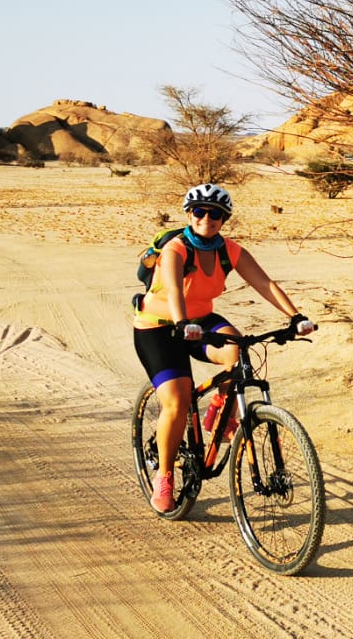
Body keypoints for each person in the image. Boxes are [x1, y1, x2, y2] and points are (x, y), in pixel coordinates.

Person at [132, 183, 315, 513]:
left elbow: (264, 283)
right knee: (177, 399)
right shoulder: (176, 249)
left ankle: (221, 407)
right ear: (189, 214)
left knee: (239, 352)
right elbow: (173, 288)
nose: (207, 218)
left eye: (215, 213)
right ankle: (164, 476)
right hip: (158, 326)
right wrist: (180, 322)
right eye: (200, 211)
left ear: (224, 218)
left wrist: (295, 317)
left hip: (199, 320)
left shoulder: (229, 251)